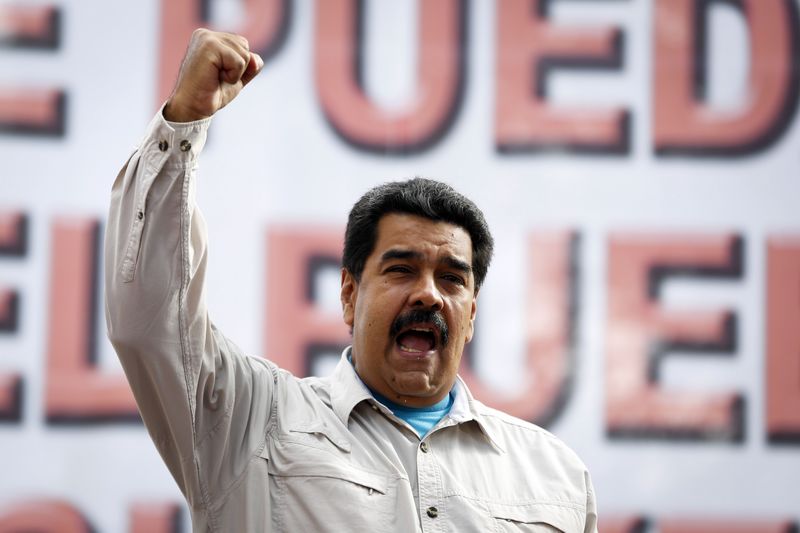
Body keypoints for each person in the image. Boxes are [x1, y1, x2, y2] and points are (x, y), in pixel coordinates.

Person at [105, 28, 598, 532]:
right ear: (348, 293)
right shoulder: (252, 423)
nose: (428, 292)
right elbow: (150, 321)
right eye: (401, 269)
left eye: (452, 279)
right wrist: (185, 120)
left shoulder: (554, 476)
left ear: (471, 314)